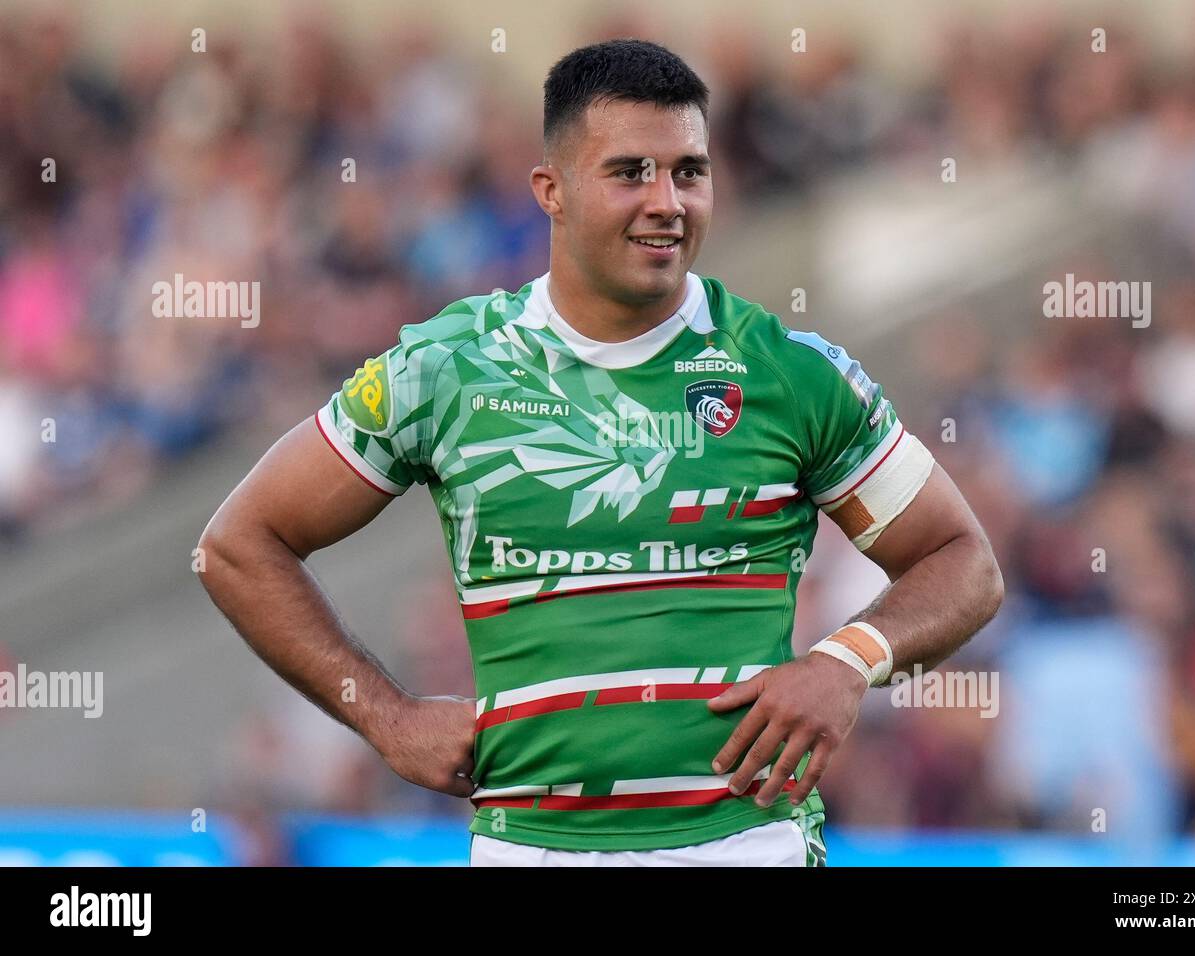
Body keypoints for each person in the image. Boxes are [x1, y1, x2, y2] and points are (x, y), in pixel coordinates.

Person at [197, 38, 1004, 867]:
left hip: (745, 845)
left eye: (689, 172)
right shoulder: (447, 370)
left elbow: (962, 560)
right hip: (531, 849)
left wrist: (845, 663)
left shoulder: (790, 373)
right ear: (550, 190)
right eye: (630, 172)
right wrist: (384, 714)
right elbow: (238, 545)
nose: (667, 201)